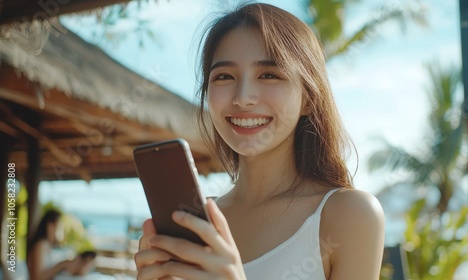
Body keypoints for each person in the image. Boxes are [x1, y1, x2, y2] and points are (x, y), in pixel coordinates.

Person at [135, 3, 385, 279]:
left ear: (309, 99)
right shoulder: (199, 223)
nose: (243, 97)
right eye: (224, 76)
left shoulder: (347, 215)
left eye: (268, 75)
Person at [27, 209, 95, 280]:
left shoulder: (47, 245)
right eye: (58, 226)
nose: (60, 231)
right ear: (50, 225)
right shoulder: (40, 245)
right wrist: (61, 265)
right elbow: (37, 277)